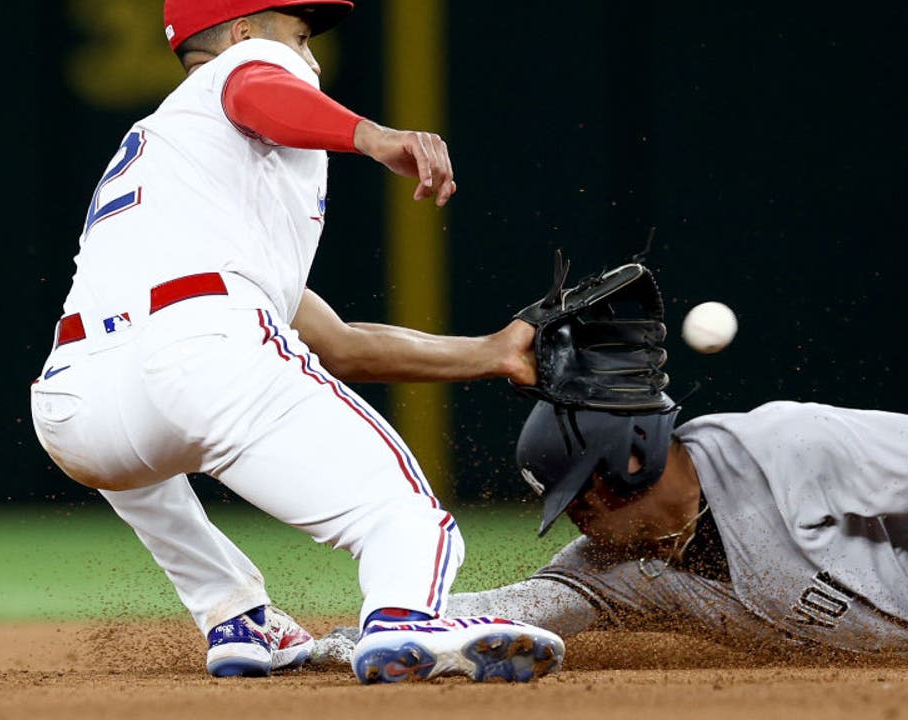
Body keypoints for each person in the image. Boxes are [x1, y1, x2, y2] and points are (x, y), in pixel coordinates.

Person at [29, 0, 563, 684]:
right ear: (243, 32)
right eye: (301, 35)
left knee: (158, 464)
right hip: (198, 349)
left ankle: (236, 617)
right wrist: (374, 137)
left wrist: (493, 352)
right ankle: (407, 618)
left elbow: (336, 343)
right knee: (403, 517)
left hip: (76, 408)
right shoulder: (247, 69)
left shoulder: (178, 169)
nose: (308, 59)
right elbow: (258, 85)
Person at [438, 400, 908, 656]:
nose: (580, 525)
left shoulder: (778, 445)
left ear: (630, 462)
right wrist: (391, 624)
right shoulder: (621, 568)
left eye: (582, 502)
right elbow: (526, 604)